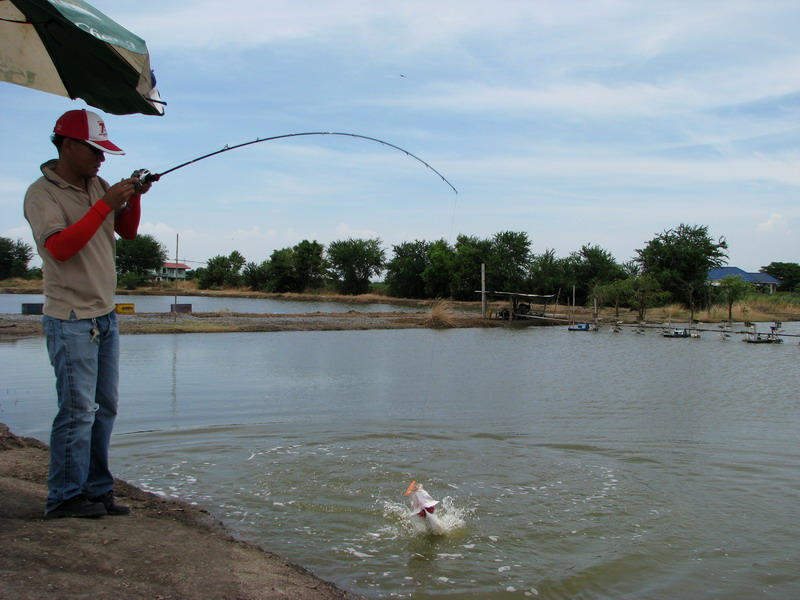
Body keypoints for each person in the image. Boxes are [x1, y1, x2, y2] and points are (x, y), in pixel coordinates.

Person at [24, 109, 155, 519]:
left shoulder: (98, 184)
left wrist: (130, 198)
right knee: (77, 412)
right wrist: (105, 205)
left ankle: (97, 491)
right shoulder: (41, 193)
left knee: (105, 408)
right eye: (95, 151)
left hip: (104, 315)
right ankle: (64, 497)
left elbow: (127, 231)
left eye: (104, 152)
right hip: (70, 318)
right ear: (67, 145)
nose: (101, 160)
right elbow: (60, 247)